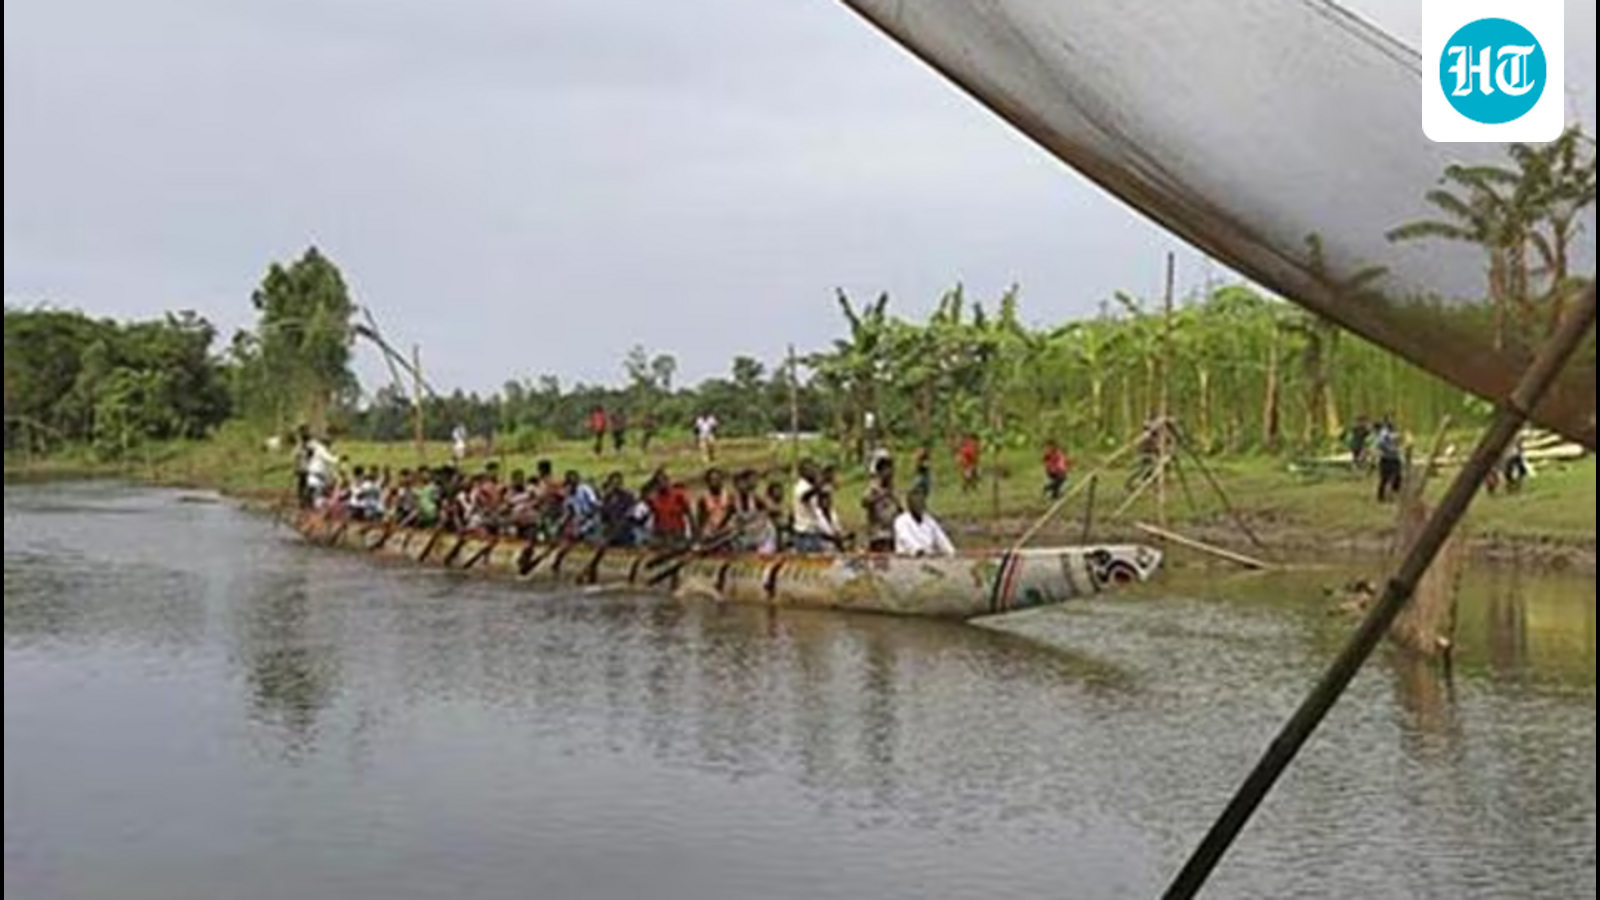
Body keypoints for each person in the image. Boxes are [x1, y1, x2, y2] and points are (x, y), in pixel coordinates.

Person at [893, 487, 956, 557]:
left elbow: (942, 539)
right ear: (910, 505)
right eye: (916, 503)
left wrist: (950, 550)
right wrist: (920, 550)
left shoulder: (930, 521)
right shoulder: (901, 521)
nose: (919, 505)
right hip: (908, 557)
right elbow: (906, 538)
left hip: (929, 556)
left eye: (921, 502)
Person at [861, 456, 901, 553]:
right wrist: (880, 495)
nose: (890, 472)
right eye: (886, 469)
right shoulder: (873, 488)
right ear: (880, 472)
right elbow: (864, 502)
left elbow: (900, 509)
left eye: (891, 469)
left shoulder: (893, 489)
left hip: (892, 534)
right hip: (878, 535)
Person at [644, 470, 693, 548]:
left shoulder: (678, 495)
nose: (661, 484)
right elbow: (644, 494)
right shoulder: (654, 498)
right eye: (658, 483)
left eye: (663, 481)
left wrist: (694, 534)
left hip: (677, 533)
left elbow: (689, 515)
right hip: (662, 534)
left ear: (667, 481)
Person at [790, 459, 828, 553]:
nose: (812, 471)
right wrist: (818, 486)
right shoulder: (801, 486)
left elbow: (818, 505)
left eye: (813, 468)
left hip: (813, 529)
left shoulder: (810, 486)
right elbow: (805, 497)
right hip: (804, 532)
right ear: (802, 472)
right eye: (809, 469)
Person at [695, 467, 734, 540]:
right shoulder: (703, 499)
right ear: (707, 482)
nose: (716, 482)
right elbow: (700, 519)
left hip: (727, 531)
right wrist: (700, 534)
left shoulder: (729, 496)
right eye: (712, 480)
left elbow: (732, 514)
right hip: (710, 534)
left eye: (718, 479)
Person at [1374, 416, 1404, 502]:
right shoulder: (1383, 433)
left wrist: (1399, 444)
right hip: (1386, 458)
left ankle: (1394, 494)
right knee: (1384, 479)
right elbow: (1380, 444)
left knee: (1398, 476)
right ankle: (1381, 497)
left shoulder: (1395, 432)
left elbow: (1399, 441)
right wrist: (1389, 449)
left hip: (1395, 458)